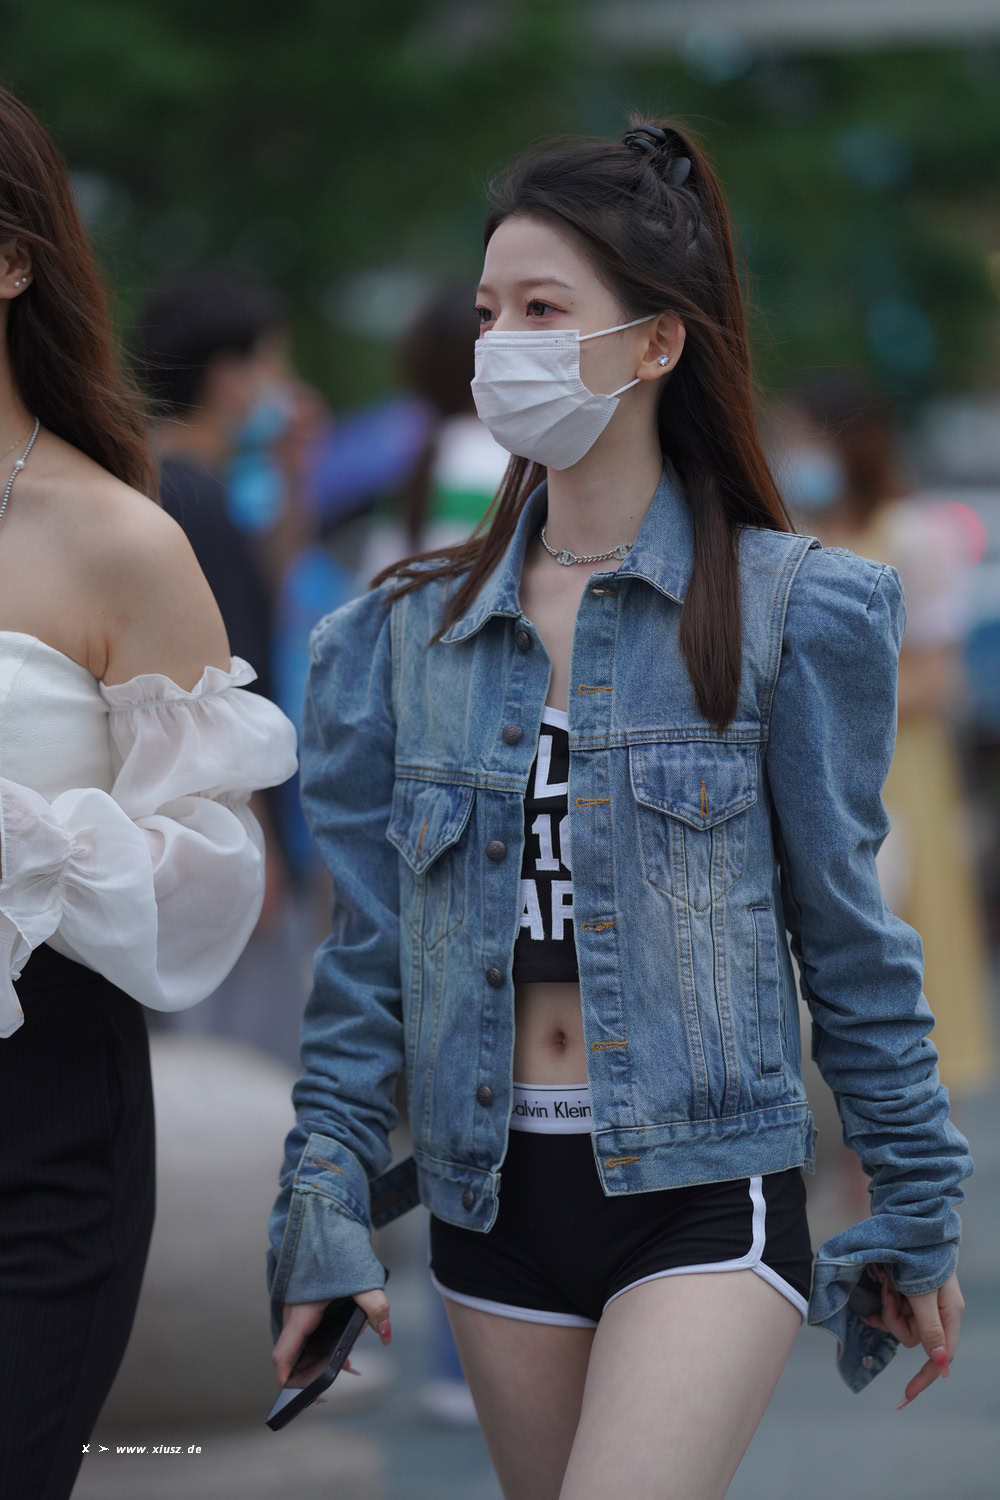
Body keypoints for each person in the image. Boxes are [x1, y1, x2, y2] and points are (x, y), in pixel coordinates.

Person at [266, 117, 972, 1499]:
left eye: (543, 310)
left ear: (656, 344)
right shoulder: (400, 637)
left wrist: (914, 1196)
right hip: (490, 1198)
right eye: (488, 313)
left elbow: (849, 939)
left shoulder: (790, 610)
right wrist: (321, 1204)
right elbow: (364, 967)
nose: (501, 346)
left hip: (703, 1190)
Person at [0, 86, 298, 1500]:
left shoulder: (121, 536)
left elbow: (210, 880)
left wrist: (25, 838)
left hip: (38, 1122)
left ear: (13, 261)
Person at [771, 374, 997, 1211]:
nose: (790, 454)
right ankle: (844, 1166)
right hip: (810, 776)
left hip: (901, 776)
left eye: (802, 436)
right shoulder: (786, 534)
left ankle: (911, 1178)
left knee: (911, 962)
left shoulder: (912, 535)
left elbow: (939, 679)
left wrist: (831, 695)